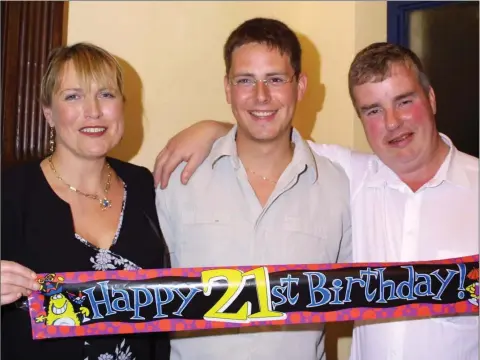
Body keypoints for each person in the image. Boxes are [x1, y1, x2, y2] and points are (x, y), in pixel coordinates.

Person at [153, 41, 479, 360]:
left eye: (404, 102)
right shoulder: (348, 176)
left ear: (431, 98)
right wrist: (213, 128)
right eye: (373, 110)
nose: (392, 122)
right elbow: (268, 134)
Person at [155, 18, 352, 360]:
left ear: (300, 86)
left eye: (275, 79)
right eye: (245, 80)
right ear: (228, 88)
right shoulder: (177, 180)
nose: (261, 96)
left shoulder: (338, 188)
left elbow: (355, 294)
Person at [1, 43, 170, 360]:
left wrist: (212, 130)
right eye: (73, 96)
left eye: (106, 94)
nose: (93, 110)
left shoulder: (148, 186)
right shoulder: (9, 193)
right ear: (48, 113)